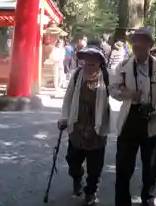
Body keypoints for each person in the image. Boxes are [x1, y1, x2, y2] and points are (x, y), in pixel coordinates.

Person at [110, 27, 156, 206]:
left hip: (152, 118)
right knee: (124, 163)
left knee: (150, 164)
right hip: (129, 118)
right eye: (135, 42)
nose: (138, 45)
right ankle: (122, 201)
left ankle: (148, 197)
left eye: (142, 41)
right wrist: (128, 94)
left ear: (150, 45)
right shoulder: (123, 66)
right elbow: (113, 90)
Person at [57, 44, 111, 206]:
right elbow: (68, 98)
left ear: (100, 63)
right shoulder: (77, 75)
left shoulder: (107, 77)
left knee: (95, 165)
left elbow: (117, 96)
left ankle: (91, 192)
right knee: (72, 159)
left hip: (97, 127)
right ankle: (77, 176)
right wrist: (64, 117)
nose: (88, 66)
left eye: (92, 63)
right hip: (78, 126)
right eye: (86, 63)